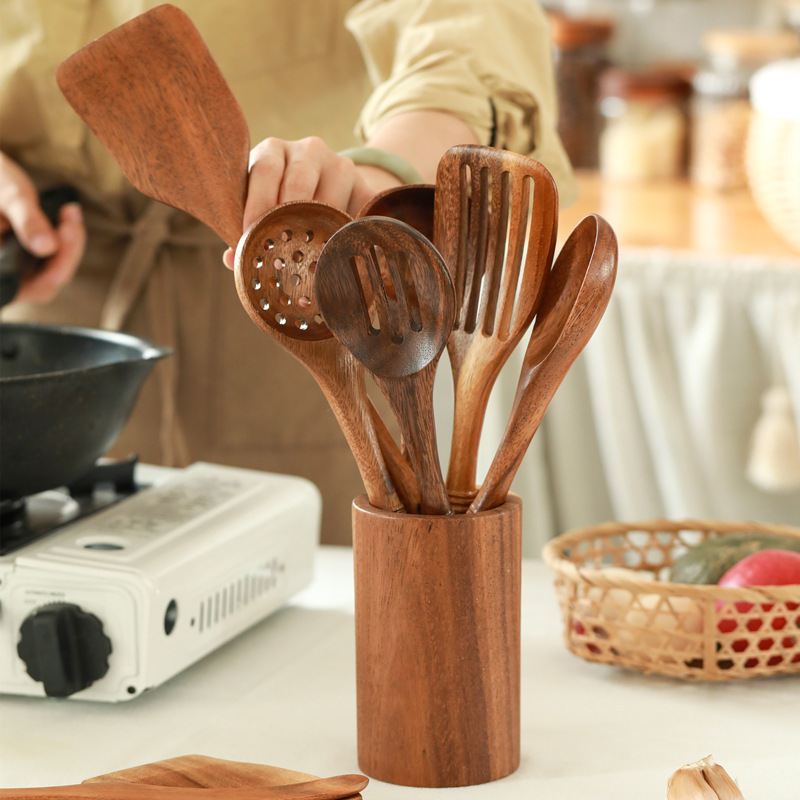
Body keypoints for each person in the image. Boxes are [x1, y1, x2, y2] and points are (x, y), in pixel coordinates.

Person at [0, 0, 576, 543]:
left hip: (313, 294)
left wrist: (381, 174)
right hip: (48, 342)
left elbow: (466, 24)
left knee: (328, 617)